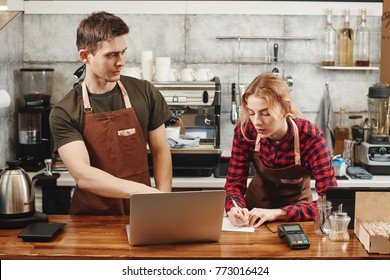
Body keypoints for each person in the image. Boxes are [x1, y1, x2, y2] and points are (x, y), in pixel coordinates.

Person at [49, 11, 173, 215]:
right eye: (111, 55)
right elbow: (84, 175)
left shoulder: (145, 92)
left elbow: (160, 152)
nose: (121, 62)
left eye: (123, 52)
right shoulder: (65, 111)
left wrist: (162, 202)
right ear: (84, 56)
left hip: (142, 213)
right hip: (91, 220)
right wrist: (143, 192)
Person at [224, 72, 337, 227]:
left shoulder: (310, 137)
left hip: (297, 220)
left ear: (285, 109)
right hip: (252, 218)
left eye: (266, 114)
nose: (257, 122)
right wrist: (234, 208)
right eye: (251, 113)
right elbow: (233, 185)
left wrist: (279, 213)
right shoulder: (246, 132)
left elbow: (330, 201)